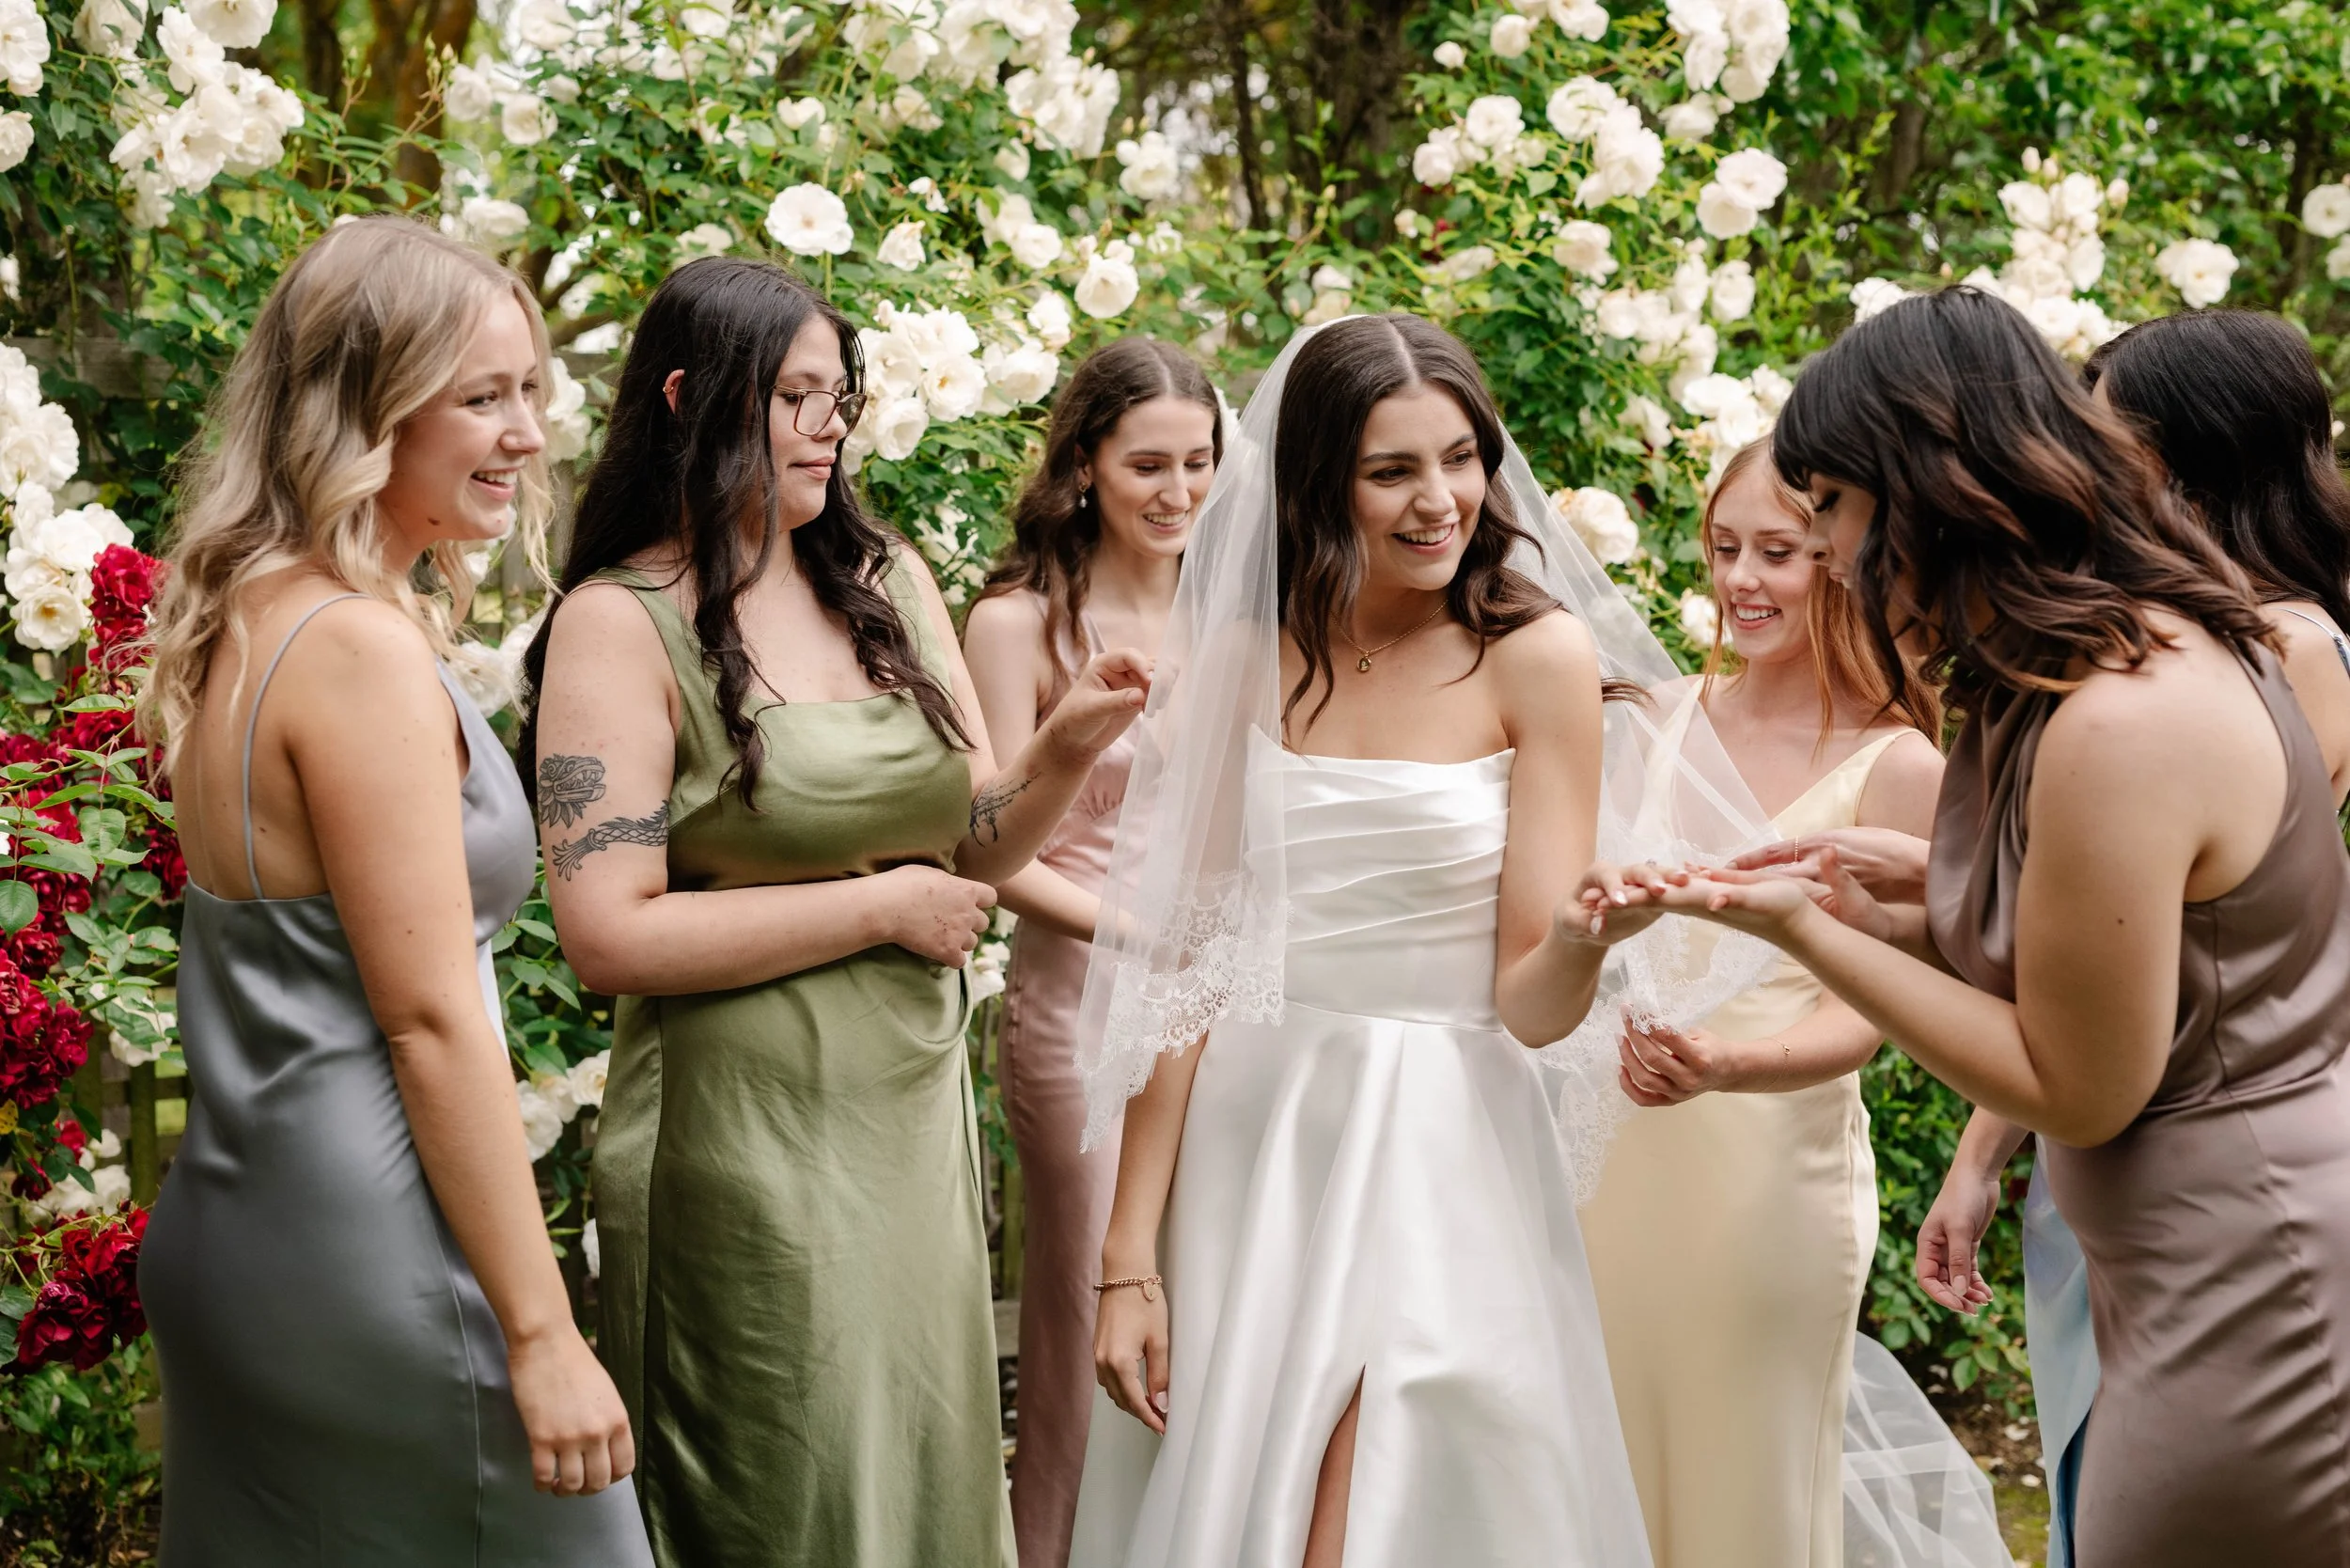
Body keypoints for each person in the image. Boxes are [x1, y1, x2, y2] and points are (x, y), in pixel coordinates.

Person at [1620, 286, 2350, 1567]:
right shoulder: (2095, 663)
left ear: (1928, 489)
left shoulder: (2121, 716)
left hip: (2253, 1271)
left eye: (1834, 510)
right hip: (2183, 1255)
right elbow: (2120, 958)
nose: (1828, 553)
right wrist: (1913, 895)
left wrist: (1807, 930)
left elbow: (2077, 1084)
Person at [1066, 313, 1768, 1568]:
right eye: (1392, 471)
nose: (1440, 500)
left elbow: (1534, 1007)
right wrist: (1129, 1258)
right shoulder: (1245, 647)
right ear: (1319, 481)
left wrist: (1596, 931)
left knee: (1396, 1509)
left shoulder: (1535, 658)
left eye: (1461, 457)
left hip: (1449, 1142)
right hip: (1262, 1138)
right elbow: (1194, 958)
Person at [521, 256, 1148, 1568]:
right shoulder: (617, 623)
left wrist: (1070, 749)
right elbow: (608, 935)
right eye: (797, 396)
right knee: (782, 1501)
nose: (832, 425)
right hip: (742, 1151)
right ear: (691, 399)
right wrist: (871, 915)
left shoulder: (886, 583)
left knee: (920, 1492)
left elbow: (970, 843)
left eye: (840, 396)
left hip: (910, 1136)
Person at [134, 216, 652, 1564]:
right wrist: (541, 1336)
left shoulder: (244, 613)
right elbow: (428, 1022)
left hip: (242, 1230)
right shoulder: (357, 649)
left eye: (531, 390)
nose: (528, 434)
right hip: (379, 1255)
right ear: (361, 411)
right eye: (482, 397)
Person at [1903, 306, 2350, 1568]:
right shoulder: (2195, 642)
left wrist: (1989, 1146)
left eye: (2107, 428)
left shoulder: (2281, 650)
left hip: (2201, 1116)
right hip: (2136, 1108)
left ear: (2185, 454)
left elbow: (2166, 930)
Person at [1577, 439, 1944, 1568]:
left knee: (1751, 1479)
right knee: (1605, 1465)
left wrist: (1733, 1067)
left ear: (1841, 559)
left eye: (1777, 553)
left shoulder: (1900, 765)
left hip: (1771, 1171)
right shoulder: (1655, 717)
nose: (1740, 580)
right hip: (1613, 1151)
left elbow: (1889, 1014)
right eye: (1724, 548)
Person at [962, 337, 1221, 1568]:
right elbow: (982, 850)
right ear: (1085, 469)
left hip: (1227, 1011)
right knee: (1080, 1313)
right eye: (1151, 465)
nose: (1180, 492)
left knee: (1210, 1295)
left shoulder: (1245, 622)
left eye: (1201, 464)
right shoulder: (1016, 624)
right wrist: (1135, 930)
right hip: (1079, 1010)